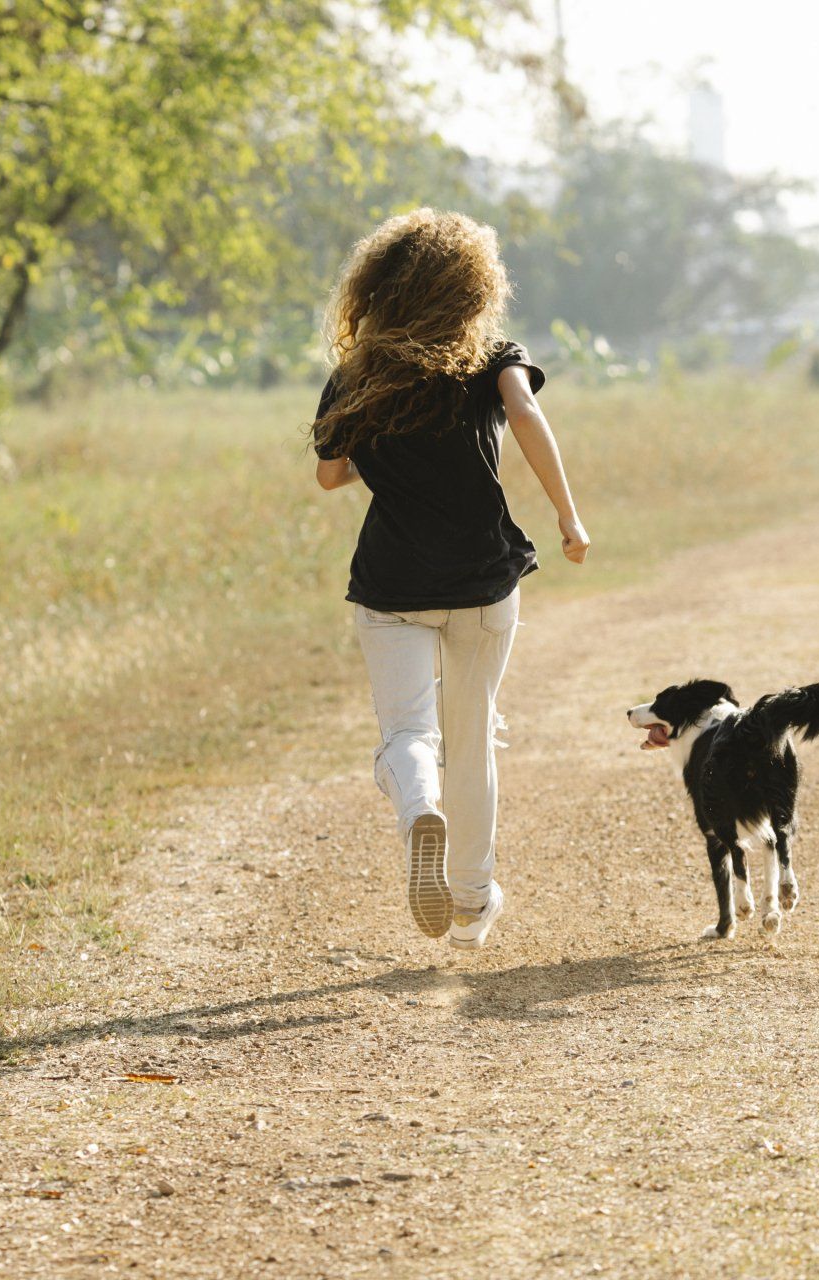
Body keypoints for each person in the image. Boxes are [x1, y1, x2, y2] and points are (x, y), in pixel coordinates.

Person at [311, 209, 588, 950]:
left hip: (392, 583)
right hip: (483, 581)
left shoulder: (356, 374)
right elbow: (526, 413)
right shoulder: (492, 359)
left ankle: (418, 812)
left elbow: (329, 474)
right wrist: (568, 516)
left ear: (379, 289)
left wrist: (378, 446)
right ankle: (471, 898)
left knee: (408, 732)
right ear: (474, 288)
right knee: (473, 738)